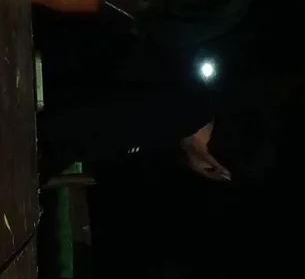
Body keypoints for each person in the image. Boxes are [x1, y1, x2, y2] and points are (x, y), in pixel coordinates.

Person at [34, 10, 231, 185]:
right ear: (213, 166)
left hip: (50, 60)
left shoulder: (187, 109)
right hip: (45, 68)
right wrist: (40, 161)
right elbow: (92, 120)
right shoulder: (189, 111)